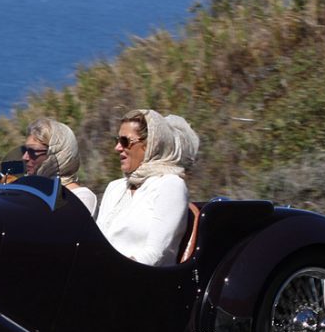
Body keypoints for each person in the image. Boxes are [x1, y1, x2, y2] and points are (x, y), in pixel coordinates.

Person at [95, 109, 199, 265]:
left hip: (144, 276)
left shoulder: (170, 185)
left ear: (150, 144)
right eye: (117, 140)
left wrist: (111, 272)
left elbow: (155, 255)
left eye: (125, 141)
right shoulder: (114, 188)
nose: (117, 147)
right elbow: (97, 244)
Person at [22, 117, 99, 217]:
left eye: (33, 151)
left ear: (57, 153)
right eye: (24, 150)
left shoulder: (81, 197)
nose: (25, 157)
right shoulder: (35, 194)